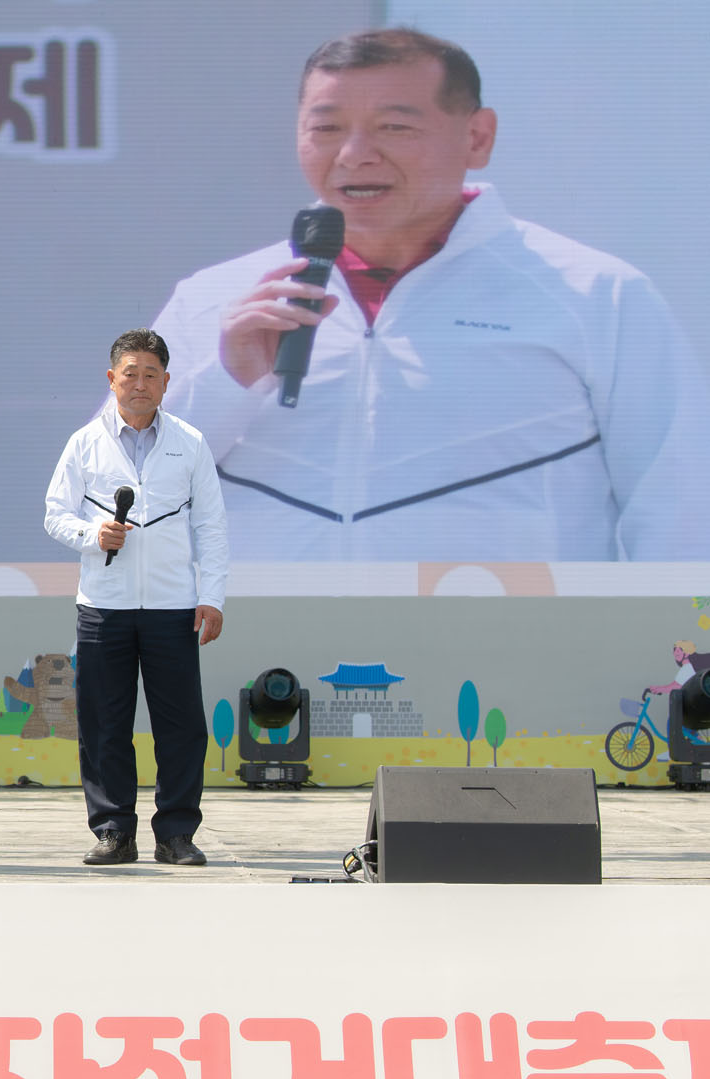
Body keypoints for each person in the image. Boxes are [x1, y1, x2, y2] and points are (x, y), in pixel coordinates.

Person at [151, 28, 707, 562]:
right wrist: (226, 381)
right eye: (326, 128)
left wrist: (684, 632)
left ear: (477, 137)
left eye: (395, 127)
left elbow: (683, 515)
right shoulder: (216, 301)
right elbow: (117, 502)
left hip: (516, 632)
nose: (354, 154)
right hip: (262, 632)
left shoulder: (598, 297)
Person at [44, 328, 228, 867]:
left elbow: (211, 526)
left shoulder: (190, 443)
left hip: (174, 606)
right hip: (105, 605)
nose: (140, 384)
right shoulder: (84, 442)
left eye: (151, 374)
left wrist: (212, 596)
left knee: (182, 727)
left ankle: (176, 833)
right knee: (104, 725)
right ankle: (113, 831)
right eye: (131, 374)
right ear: (112, 379)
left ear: (167, 381)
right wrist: (93, 534)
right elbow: (55, 514)